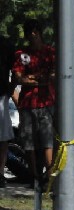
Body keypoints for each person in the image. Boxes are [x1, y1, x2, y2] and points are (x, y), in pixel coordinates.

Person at [12, 19, 56, 185]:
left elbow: (52, 76)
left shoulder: (50, 52)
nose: (30, 37)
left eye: (32, 33)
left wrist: (31, 77)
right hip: (27, 103)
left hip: (47, 102)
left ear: (37, 33)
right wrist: (38, 79)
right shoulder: (22, 54)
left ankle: (50, 177)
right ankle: (35, 176)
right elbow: (18, 78)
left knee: (47, 141)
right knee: (28, 143)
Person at [0, 35, 16, 188]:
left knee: (3, 138)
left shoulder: (5, 44)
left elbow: (16, 71)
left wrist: (10, 89)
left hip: (2, 95)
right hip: (3, 94)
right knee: (3, 138)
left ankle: (0, 173)